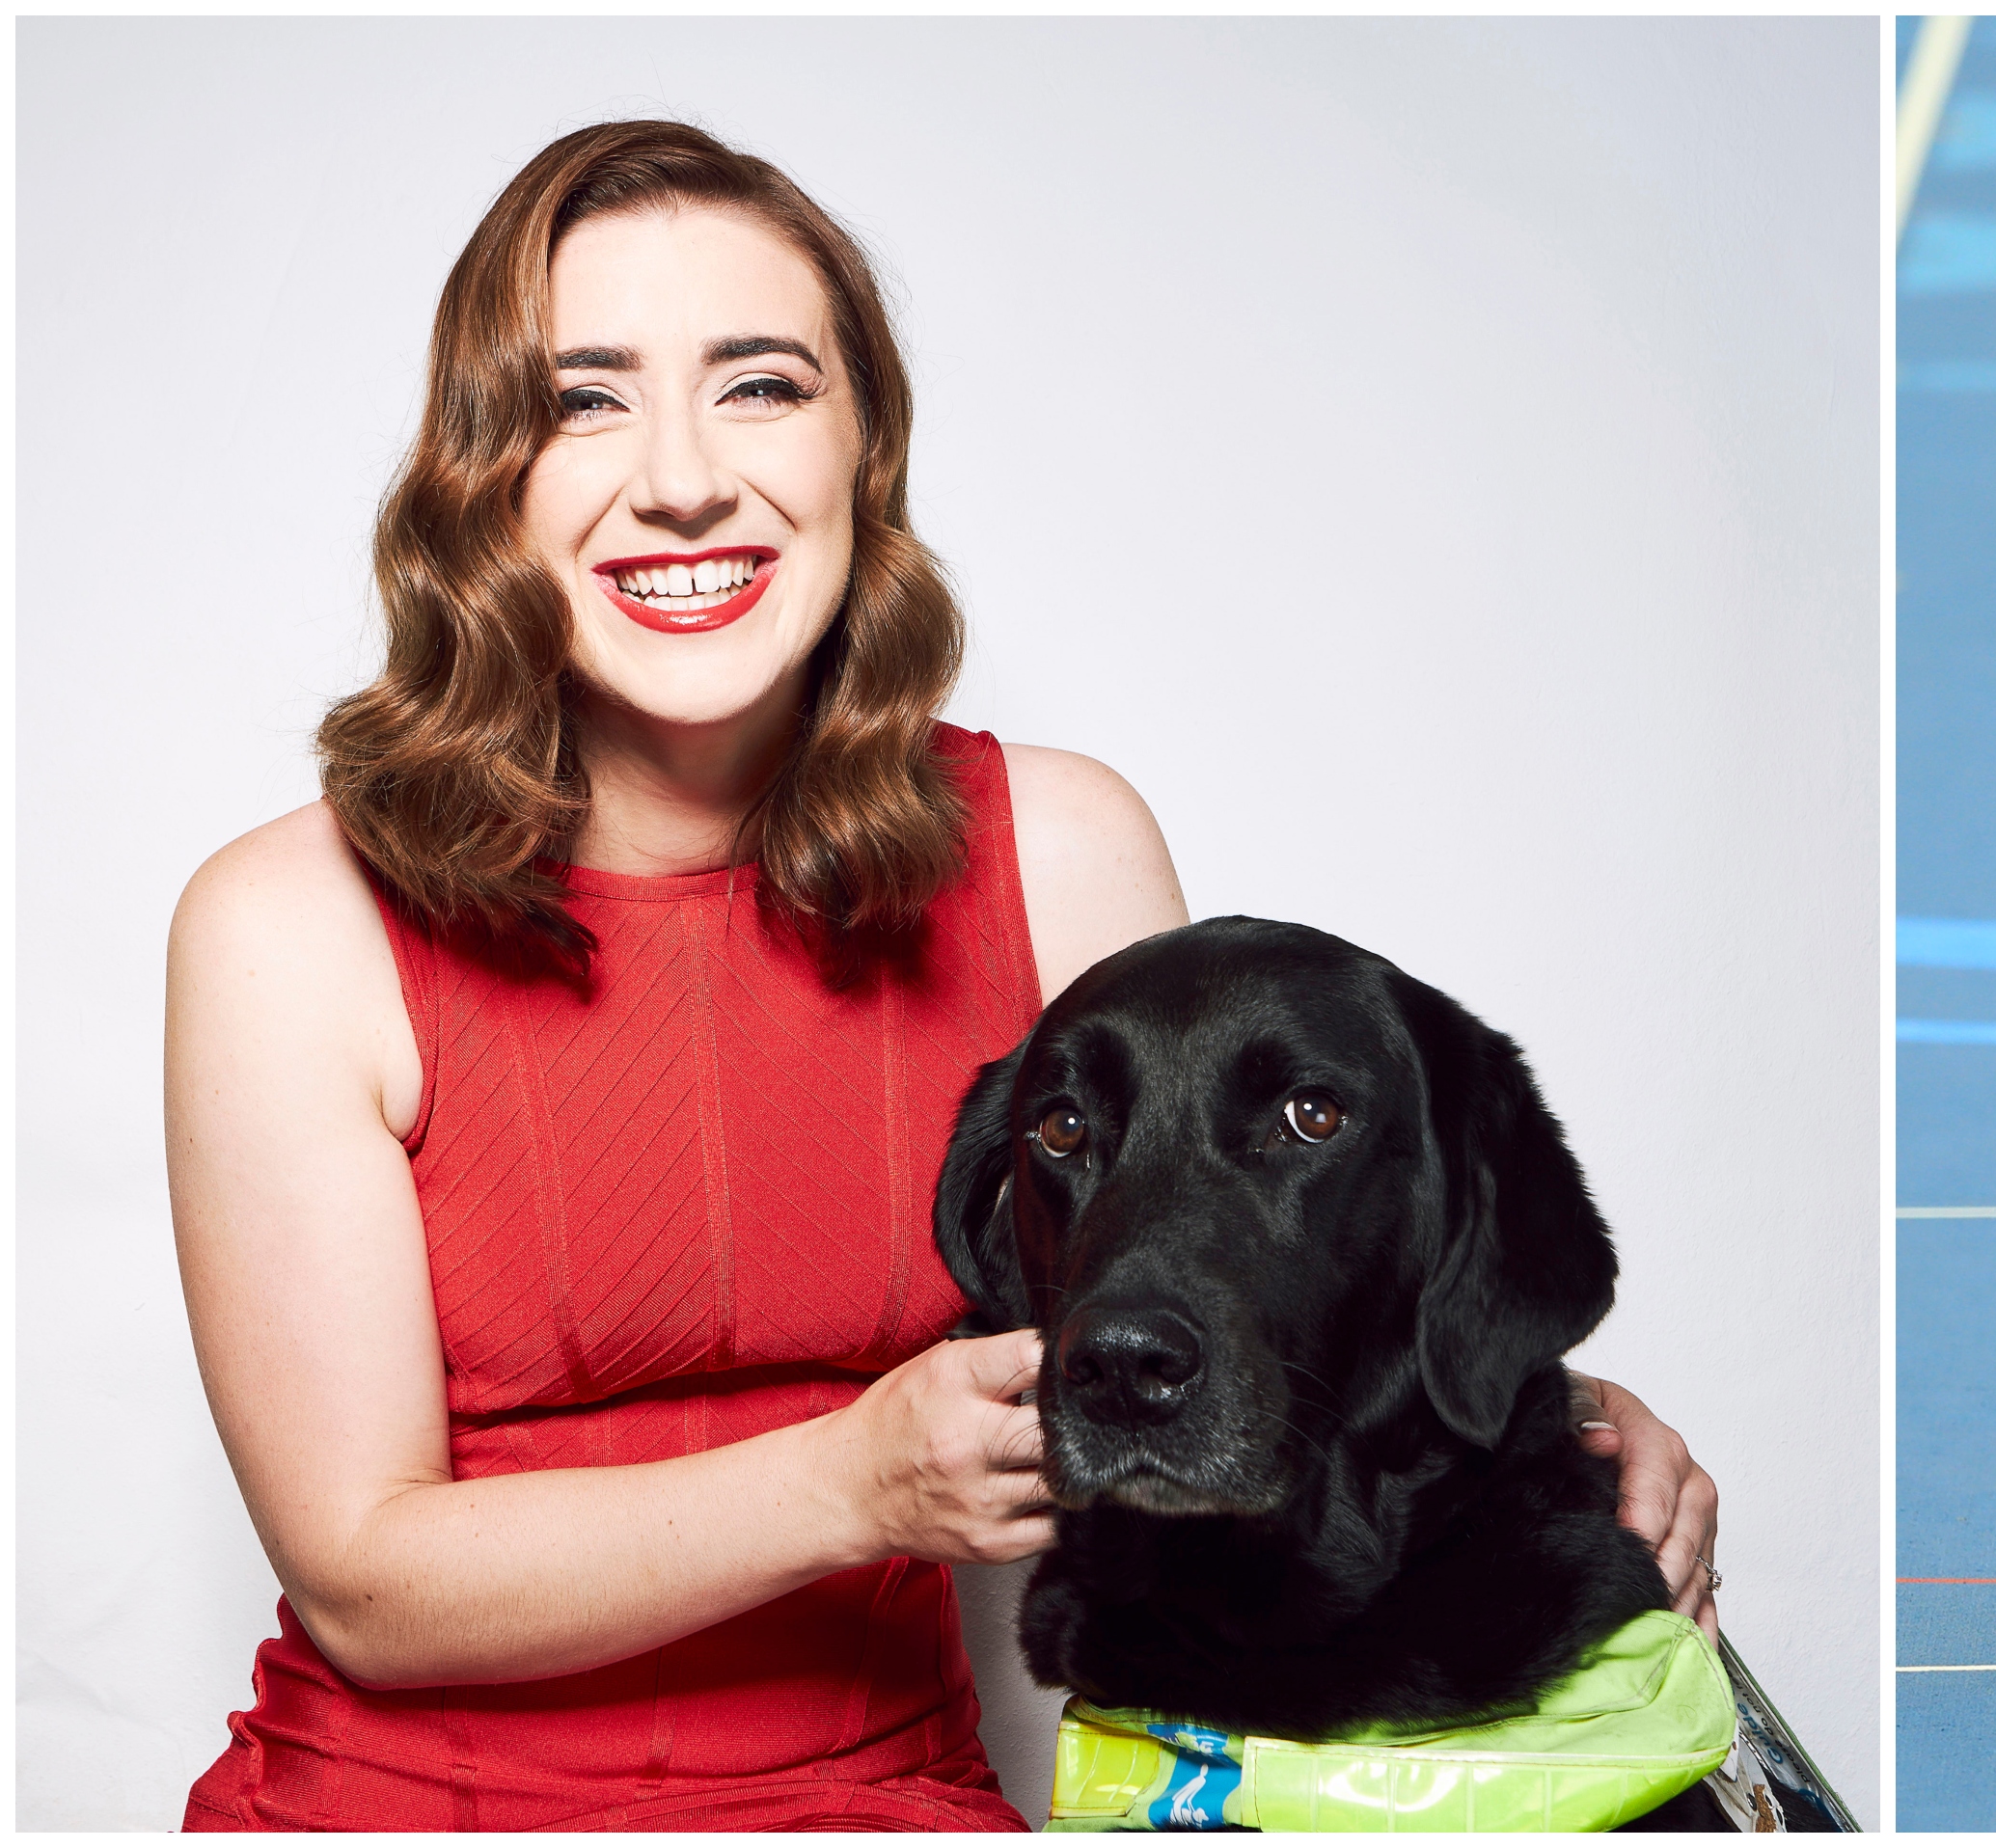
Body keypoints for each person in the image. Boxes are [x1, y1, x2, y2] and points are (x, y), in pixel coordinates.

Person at [167, 120, 1718, 1832]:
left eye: (759, 386)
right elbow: (367, 1583)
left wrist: (1538, 1418)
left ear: (861, 445)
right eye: (584, 399)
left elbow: (1222, 1287)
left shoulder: (1056, 850)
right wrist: (851, 1484)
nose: (683, 477)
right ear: (482, 476)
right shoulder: (289, 927)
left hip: (899, 1808)